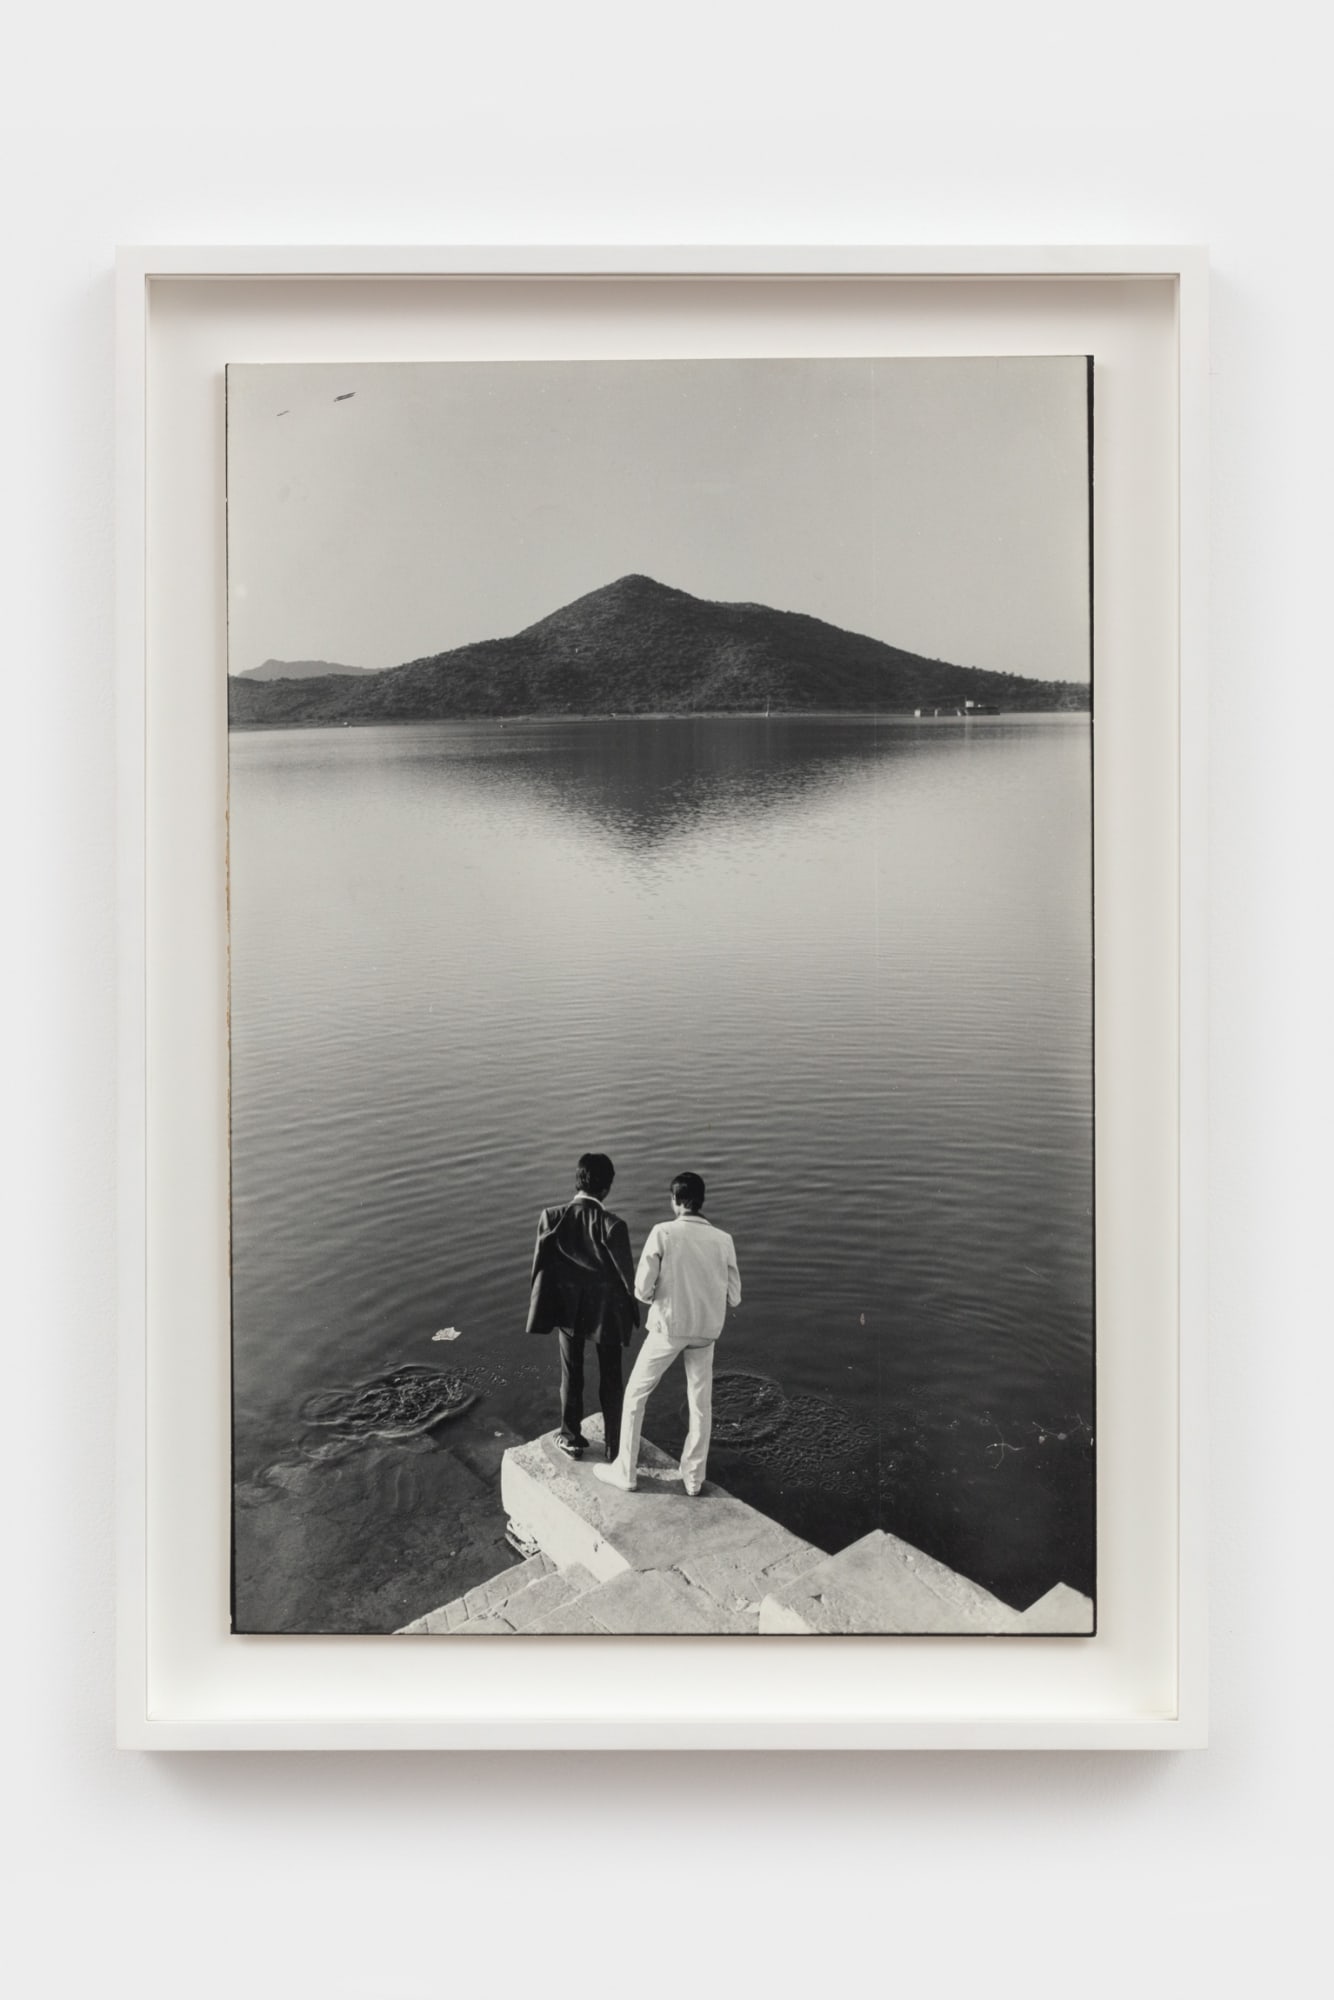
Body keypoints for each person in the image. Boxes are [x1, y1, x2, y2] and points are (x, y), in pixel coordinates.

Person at [595, 1171, 740, 1496]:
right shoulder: (724, 1239)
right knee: (700, 1403)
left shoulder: (663, 1232)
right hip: (705, 1332)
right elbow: (735, 1296)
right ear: (700, 1201)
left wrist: (657, 1296)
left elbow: (642, 1289)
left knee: (635, 1396)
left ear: (676, 1201)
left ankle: (625, 1472)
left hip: (668, 1329)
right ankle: (692, 1479)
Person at [526, 1152, 639, 1459]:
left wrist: (543, 1308)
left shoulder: (551, 1217)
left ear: (577, 1181)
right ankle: (614, 1448)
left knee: (571, 1372)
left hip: (567, 1310)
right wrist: (632, 1314)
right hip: (606, 1312)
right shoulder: (613, 1225)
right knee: (612, 1378)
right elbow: (627, 1278)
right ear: (607, 1189)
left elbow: (540, 1268)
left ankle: (571, 1438)